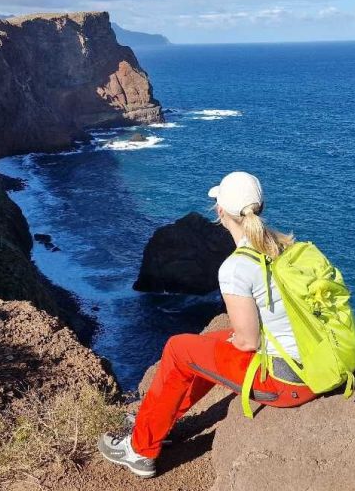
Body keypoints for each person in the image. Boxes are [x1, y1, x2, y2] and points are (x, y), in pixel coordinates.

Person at [98, 171, 317, 478]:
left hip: (288, 383)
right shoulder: (286, 248)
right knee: (204, 348)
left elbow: (247, 342)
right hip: (314, 363)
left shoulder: (237, 266)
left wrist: (226, 344)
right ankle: (160, 420)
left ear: (220, 211)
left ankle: (140, 451)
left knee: (179, 348)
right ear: (261, 206)